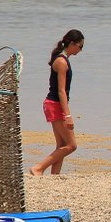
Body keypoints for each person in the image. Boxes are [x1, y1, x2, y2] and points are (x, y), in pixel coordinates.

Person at [29, 30, 84, 176]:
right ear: (72, 44)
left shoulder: (63, 60)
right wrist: (68, 115)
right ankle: (39, 168)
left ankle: (54, 176)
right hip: (55, 104)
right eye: (80, 46)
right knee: (72, 145)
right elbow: (61, 91)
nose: (81, 50)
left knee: (62, 145)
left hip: (53, 104)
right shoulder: (61, 62)